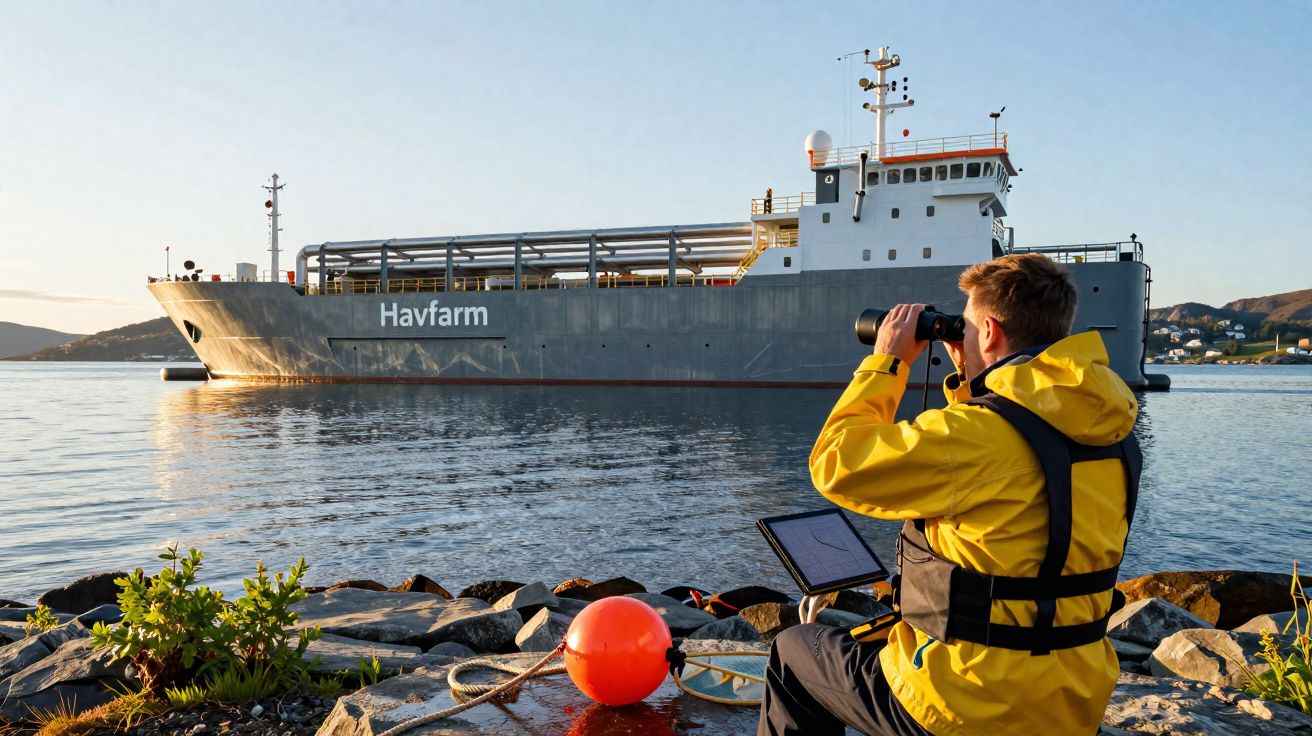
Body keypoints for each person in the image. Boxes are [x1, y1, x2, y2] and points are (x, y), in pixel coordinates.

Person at [758, 253, 1140, 736]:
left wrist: (887, 362)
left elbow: (835, 464)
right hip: (1071, 701)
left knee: (795, 649)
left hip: (965, 704)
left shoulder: (976, 436)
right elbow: (1001, 456)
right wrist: (974, 380)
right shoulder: (1113, 429)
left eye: (968, 324)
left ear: (988, 332)